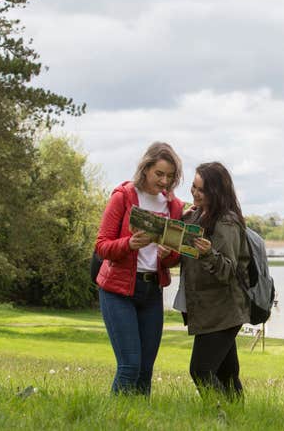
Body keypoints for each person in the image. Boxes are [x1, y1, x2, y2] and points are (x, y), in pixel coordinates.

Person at [95, 142, 185, 395]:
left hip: (151, 291)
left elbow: (173, 258)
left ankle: (139, 420)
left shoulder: (174, 207)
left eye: (170, 176)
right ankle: (113, 421)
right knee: (129, 366)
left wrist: (168, 255)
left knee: (145, 370)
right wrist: (129, 244)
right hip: (117, 290)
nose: (164, 181)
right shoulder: (123, 196)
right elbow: (101, 246)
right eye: (159, 174)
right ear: (145, 169)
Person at [174, 161, 251, 400]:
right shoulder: (197, 215)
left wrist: (208, 253)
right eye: (193, 188)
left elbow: (228, 270)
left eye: (201, 189)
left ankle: (218, 417)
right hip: (208, 309)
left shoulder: (226, 222)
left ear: (215, 191)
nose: (195, 193)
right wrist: (181, 220)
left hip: (223, 310)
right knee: (227, 375)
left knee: (200, 370)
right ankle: (237, 420)